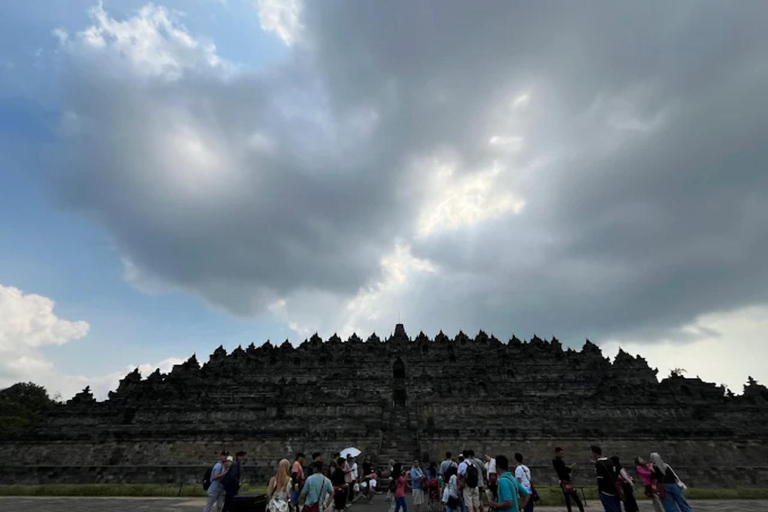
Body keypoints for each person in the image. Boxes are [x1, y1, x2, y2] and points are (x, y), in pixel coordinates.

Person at [552, 447, 584, 512]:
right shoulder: (556, 461)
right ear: (557, 453)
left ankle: (573, 510)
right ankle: (580, 509)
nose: (562, 455)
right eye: (561, 453)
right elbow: (562, 471)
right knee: (574, 496)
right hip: (565, 481)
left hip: (565, 481)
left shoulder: (560, 461)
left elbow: (564, 470)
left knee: (569, 497)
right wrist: (569, 468)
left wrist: (568, 468)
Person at [590, 446, 619, 512]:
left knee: (609, 508)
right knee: (614, 506)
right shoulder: (609, 461)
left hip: (605, 490)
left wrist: (600, 490)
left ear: (594, 453)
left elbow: (600, 478)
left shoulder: (598, 463)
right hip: (613, 487)